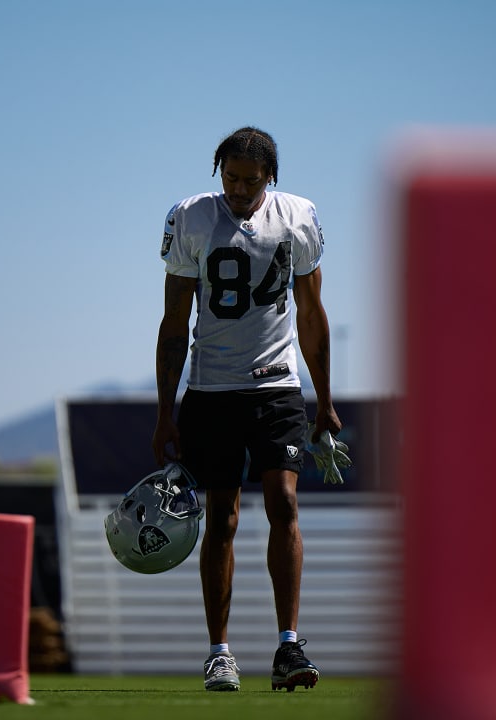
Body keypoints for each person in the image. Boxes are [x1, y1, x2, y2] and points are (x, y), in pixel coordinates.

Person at [151, 126, 343, 692]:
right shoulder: (191, 217)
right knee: (224, 517)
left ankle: (288, 644)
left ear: (271, 178)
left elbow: (312, 315)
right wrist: (166, 410)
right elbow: (172, 323)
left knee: (284, 501)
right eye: (230, 178)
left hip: (277, 385)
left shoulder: (298, 216)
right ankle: (220, 652)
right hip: (211, 389)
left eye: (250, 180)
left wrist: (324, 400)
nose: (237, 189)